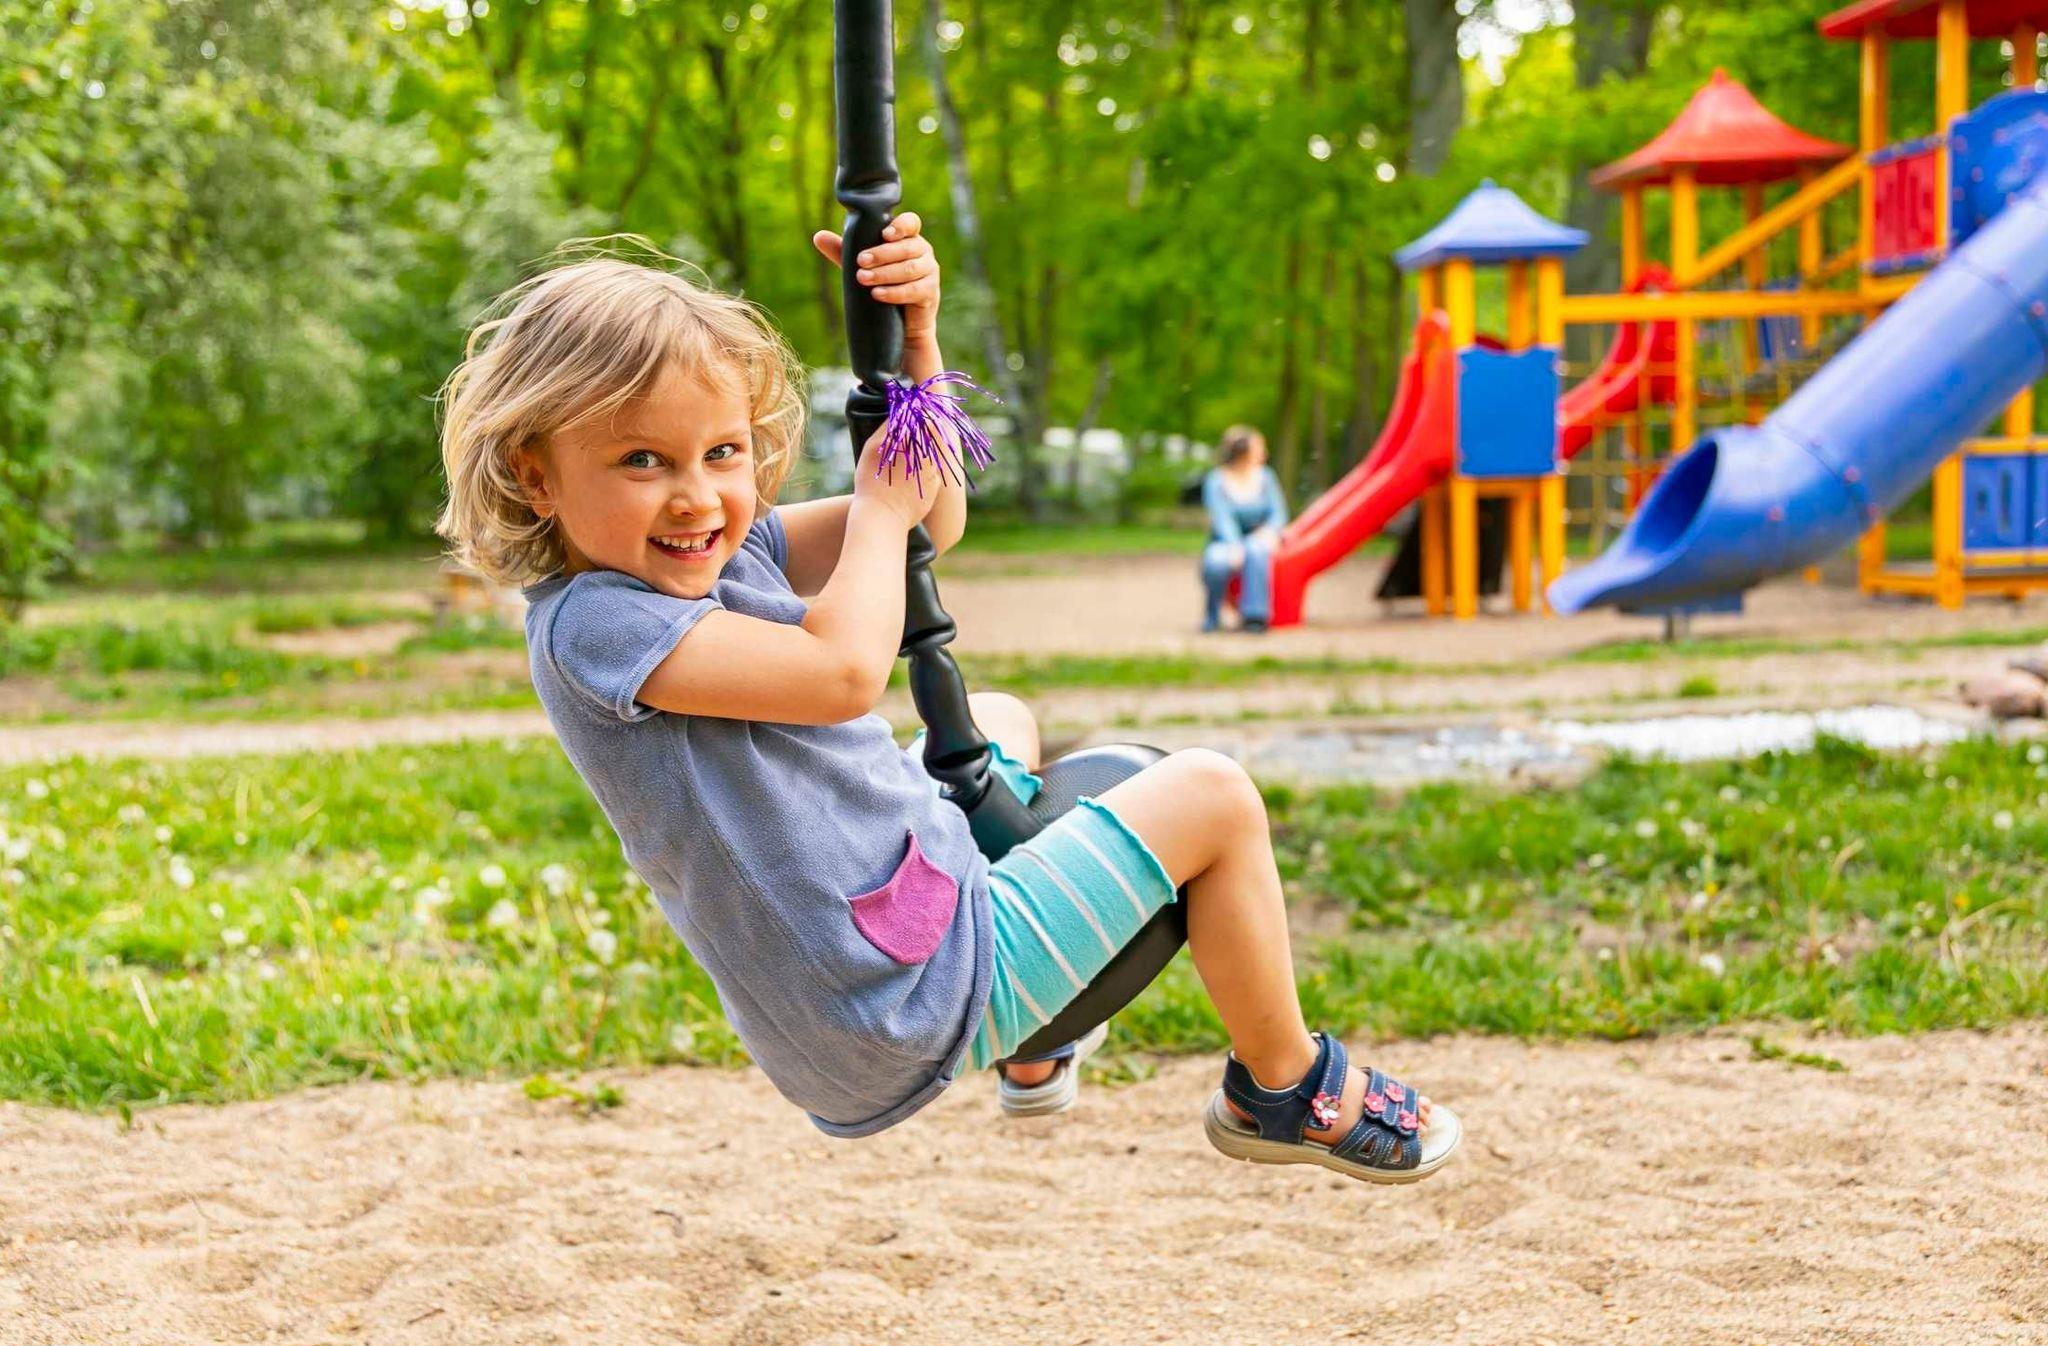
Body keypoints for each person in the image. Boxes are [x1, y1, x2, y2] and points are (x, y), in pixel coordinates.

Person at [434, 220, 1460, 1182]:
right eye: (641, 461)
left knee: (1000, 716)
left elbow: (932, 519)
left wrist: (916, 349)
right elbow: (844, 672)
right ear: (537, 477)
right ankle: (1282, 1086)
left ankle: (1036, 1047)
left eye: (722, 452)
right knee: (1213, 796)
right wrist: (877, 512)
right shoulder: (595, 623)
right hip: (890, 1004)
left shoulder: (726, 552)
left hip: (892, 950)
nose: (697, 495)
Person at [1200, 427, 1289, 633]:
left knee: (1256, 551)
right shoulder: (1217, 480)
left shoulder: (1265, 477)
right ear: (1243, 452)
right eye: (1259, 447)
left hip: (1260, 535)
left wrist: (1271, 531)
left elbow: (1278, 512)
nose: (1264, 453)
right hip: (1224, 539)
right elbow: (1222, 517)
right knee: (1215, 562)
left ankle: (1255, 616)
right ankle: (1213, 615)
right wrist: (1234, 544)